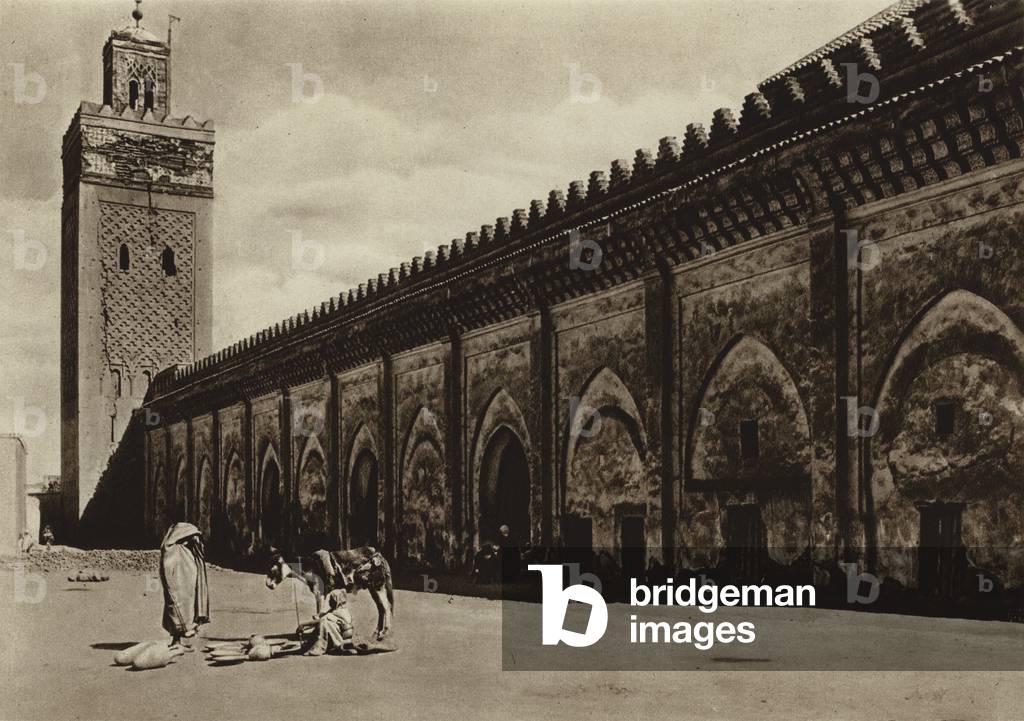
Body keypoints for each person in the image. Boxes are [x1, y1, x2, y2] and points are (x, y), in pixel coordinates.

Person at [159, 522, 210, 651]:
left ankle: (178, 640)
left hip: (186, 589)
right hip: (178, 590)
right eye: (194, 539)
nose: (197, 542)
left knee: (186, 607)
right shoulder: (173, 551)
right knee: (177, 607)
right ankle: (176, 641)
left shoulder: (183, 551)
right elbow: (170, 573)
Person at [298, 586, 355, 656]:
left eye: (331, 600)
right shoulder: (338, 610)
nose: (329, 602)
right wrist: (306, 627)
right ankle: (310, 644)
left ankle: (319, 646)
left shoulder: (339, 612)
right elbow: (323, 616)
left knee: (324, 623)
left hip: (340, 638)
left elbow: (321, 620)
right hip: (339, 634)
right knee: (324, 623)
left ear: (336, 600)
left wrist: (303, 624)